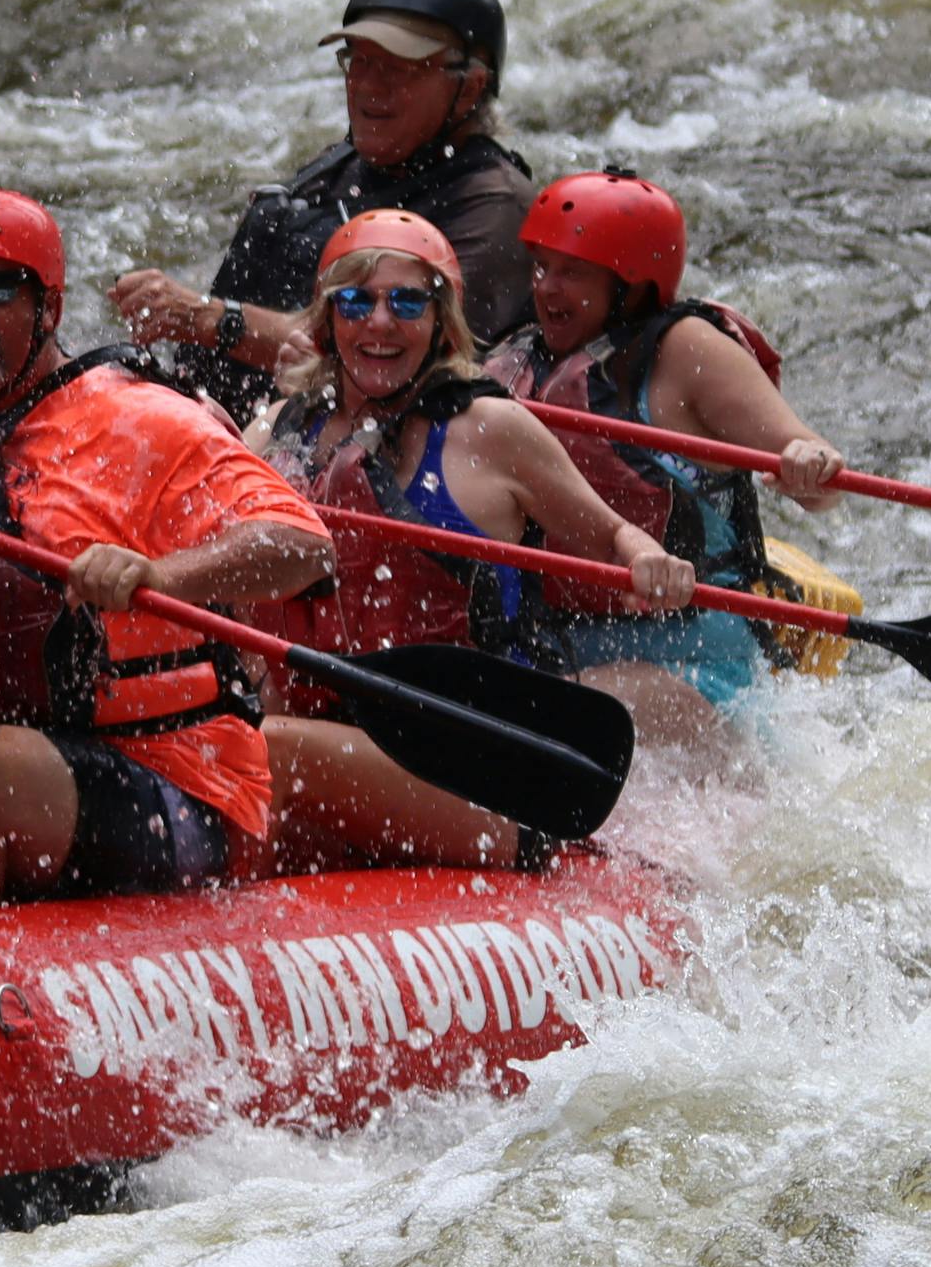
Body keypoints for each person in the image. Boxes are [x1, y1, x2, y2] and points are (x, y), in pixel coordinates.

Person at [0, 188, 336, 901]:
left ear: (50, 308)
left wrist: (160, 571)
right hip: (25, 751)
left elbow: (302, 546)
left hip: (173, 781)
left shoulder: (140, 418)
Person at [256, 211, 698, 872]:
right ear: (327, 321)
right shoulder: (273, 433)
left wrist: (648, 562)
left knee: (265, 750)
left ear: (441, 322)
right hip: (342, 744)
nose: (379, 322)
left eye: (407, 302)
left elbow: (610, 536)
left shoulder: (489, 428)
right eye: (356, 301)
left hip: (477, 763)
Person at [481, 169, 849, 711]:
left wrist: (807, 461)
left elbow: (822, 488)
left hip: (691, 656)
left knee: (535, 711)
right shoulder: (517, 358)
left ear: (631, 284)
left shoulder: (687, 351)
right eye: (542, 268)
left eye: (574, 272)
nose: (546, 288)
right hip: (557, 643)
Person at [111, 0, 538, 408]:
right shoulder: (340, 167)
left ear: (469, 87)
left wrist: (209, 318)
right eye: (360, 60)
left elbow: (407, 357)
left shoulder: (496, 208)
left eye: (399, 69)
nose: (368, 85)